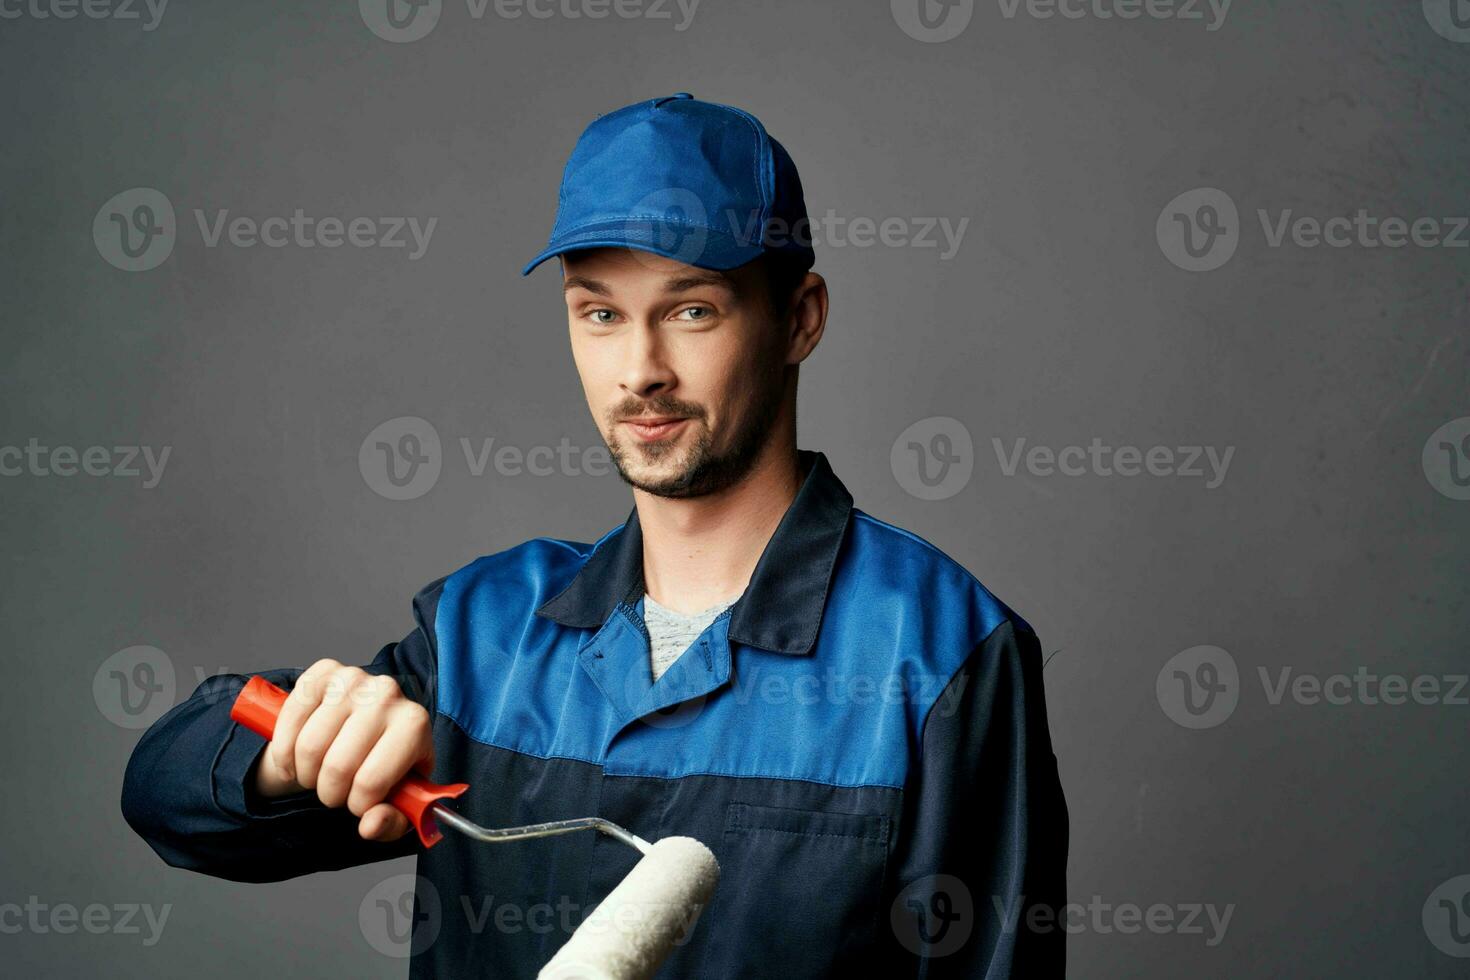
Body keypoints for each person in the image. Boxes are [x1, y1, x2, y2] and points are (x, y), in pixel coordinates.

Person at [121, 91, 1068, 979]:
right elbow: (168, 801)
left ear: (800, 319)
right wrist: (288, 757)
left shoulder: (939, 655)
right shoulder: (485, 632)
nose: (640, 370)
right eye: (601, 314)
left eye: (691, 310)